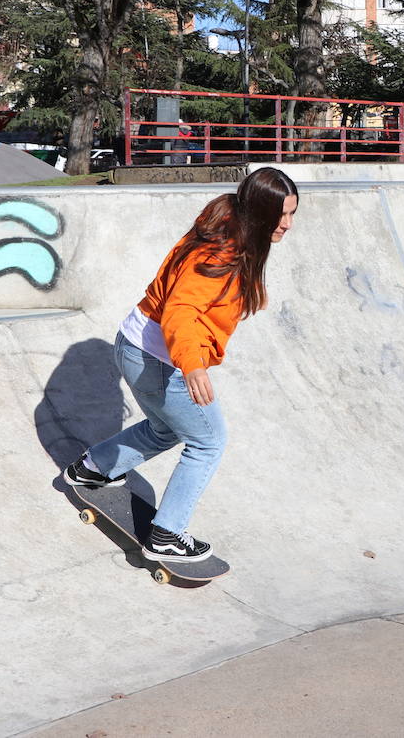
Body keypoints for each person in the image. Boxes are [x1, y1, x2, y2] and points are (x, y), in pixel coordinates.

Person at [63, 167, 299, 561]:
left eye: (293, 214)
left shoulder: (225, 223)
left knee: (164, 428)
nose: (288, 225)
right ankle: (167, 535)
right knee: (209, 441)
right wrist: (192, 364)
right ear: (259, 212)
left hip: (134, 344)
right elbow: (182, 310)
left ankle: (94, 467)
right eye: (282, 215)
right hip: (161, 358)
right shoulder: (220, 251)